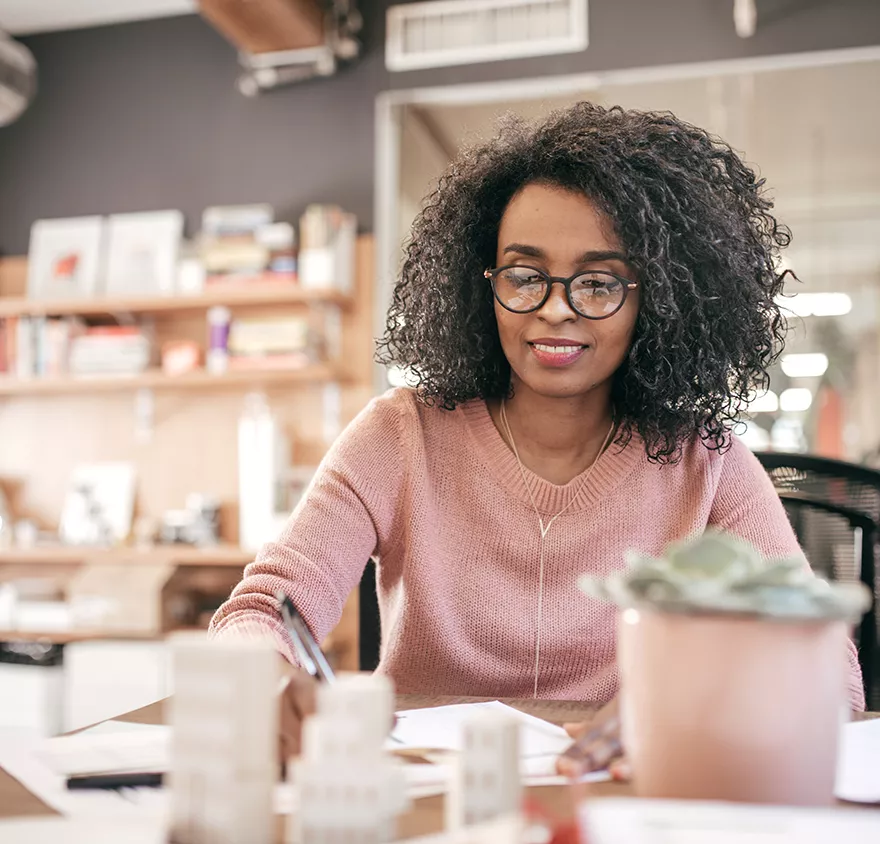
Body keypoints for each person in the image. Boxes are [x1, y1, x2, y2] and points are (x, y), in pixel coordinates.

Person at [210, 102, 865, 769]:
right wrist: (265, 675)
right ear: (484, 282)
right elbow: (264, 608)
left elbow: (830, 672)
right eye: (525, 275)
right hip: (423, 796)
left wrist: (698, 705)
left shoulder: (708, 463)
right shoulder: (396, 435)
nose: (556, 308)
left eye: (599, 282)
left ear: (657, 299)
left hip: (614, 796)